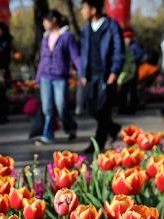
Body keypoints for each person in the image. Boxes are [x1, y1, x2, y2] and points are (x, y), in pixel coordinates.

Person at [79, 0, 123, 154]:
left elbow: (118, 49)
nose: (82, 11)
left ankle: (98, 144)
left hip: (106, 74)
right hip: (90, 75)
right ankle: (113, 127)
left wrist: (114, 71)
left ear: (94, 9)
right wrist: (83, 72)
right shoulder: (86, 29)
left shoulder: (111, 26)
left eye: (84, 8)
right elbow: (83, 52)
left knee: (104, 109)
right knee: (91, 108)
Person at [35, 9, 80, 145]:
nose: (43, 23)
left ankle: (71, 127)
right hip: (45, 77)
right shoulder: (45, 37)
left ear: (54, 20)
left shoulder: (67, 36)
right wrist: (38, 78)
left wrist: (82, 72)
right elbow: (42, 59)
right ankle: (47, 135)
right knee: (47, 108)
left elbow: (75, 56)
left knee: (61, 106)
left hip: (60, 77)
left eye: (45, 20)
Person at [118, 28, 141, 115]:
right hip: (123, 73)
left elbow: (140, 56)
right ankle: (122, 108)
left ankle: (132, 109)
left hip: (132, 72)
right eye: (126, 38)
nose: (128, 39)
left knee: (132, 91)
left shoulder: (135, 47)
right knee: (123, 92)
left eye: (129, 37)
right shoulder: (121, 47)